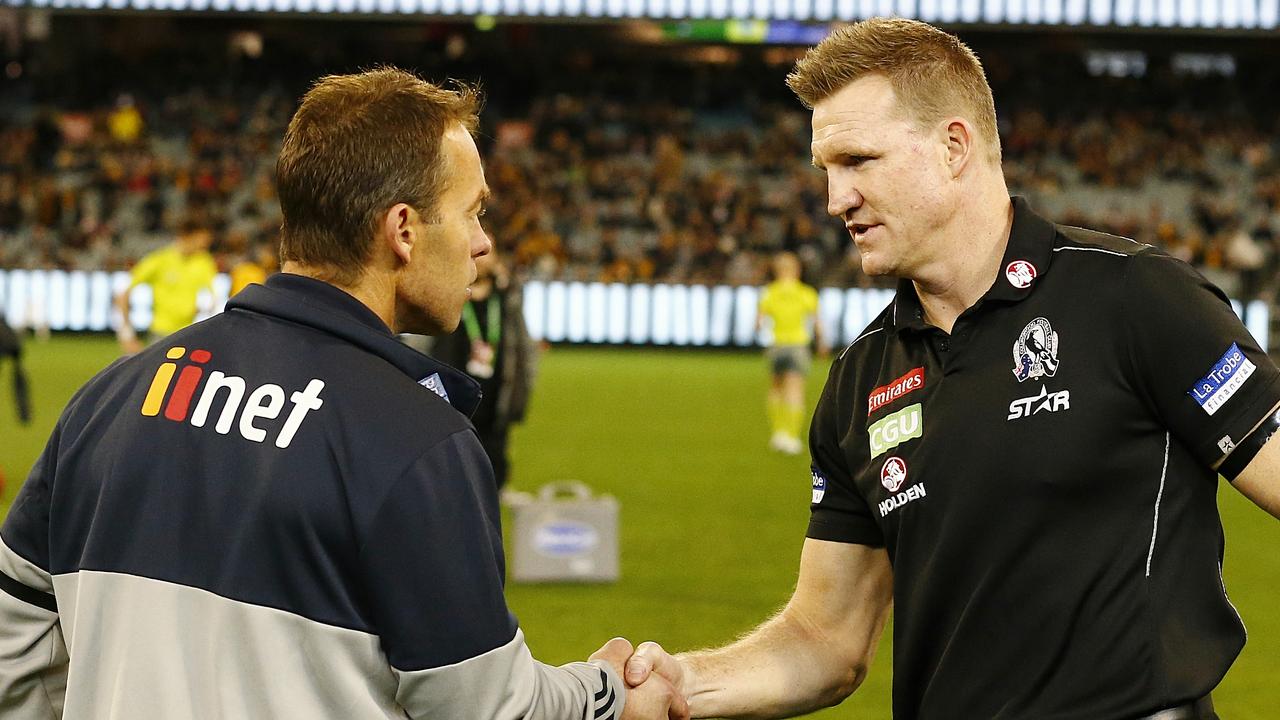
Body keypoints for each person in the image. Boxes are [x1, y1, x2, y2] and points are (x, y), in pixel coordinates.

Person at [623, 18, 1280, 720]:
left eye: (859, 162)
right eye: (827, 171)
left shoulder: (1134, 298)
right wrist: (684, 685)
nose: (833, 200)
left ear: (954, 146)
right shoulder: (859, 380)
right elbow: (825, 640)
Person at [0, 68, 685, 720]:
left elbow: (13, 653)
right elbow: (489, 706)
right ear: (404, 230)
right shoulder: (416, 442)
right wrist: (607, 694)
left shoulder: (108, 399)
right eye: (472, 213)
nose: (483, 243)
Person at [431, 248, 537, 490]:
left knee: (495, 454)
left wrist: (522, 393)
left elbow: (523, 349)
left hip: (496, 396)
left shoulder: (506, 300)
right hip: (452, 398)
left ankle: (496, 495)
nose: (481, 255)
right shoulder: (447, 296)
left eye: (489, 251)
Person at [114, 218, 218, 354]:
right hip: (161, 335)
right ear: (187, 236)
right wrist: (126, 334)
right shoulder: (160, 260)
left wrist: (204, 310)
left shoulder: (204, 262)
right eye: (201, 240)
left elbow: (213, 298)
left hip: (189, 335)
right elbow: (123, 293)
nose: (205, 245)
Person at [756, 251, 825, 455]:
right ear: (797, 270)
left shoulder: (769, 292)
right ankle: (791, 436)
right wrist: (822, 343)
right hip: (797, 346)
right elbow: (817, 324)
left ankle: (778, 433)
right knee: (795, 391)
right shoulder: (806, 293)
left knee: (776, 388)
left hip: (777, 345)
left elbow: (758, 323)